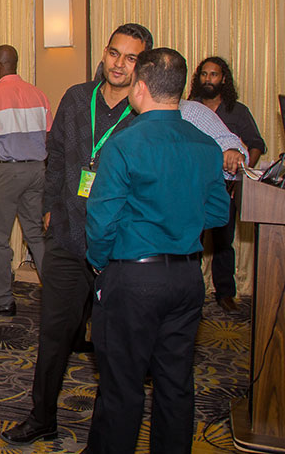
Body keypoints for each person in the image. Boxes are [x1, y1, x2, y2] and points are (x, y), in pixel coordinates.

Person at [0, 22, 153, 446]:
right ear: (104, 53)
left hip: (118, 246)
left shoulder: (146, 110)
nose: (119, 64)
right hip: (68, 238)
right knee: (53, 336)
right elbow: (55, 156)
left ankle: (104, 437)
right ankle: (41, 417)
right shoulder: (76, 98)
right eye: (114, 53)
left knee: (112, 347)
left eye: (131, 58)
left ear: (142, 65)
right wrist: (49, 208)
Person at [83, 48, 229, 454]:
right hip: (186, 278)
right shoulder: (205, 145)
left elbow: (101, 221)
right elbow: (219, 212)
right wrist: (179, 219)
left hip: (133, 277)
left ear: (140, 87)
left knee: (122, 388)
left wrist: (100, 265)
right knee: (176, 385)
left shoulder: (124, 143)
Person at [0, 45, 52, 316]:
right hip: (37, 170)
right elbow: (49, 138)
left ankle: (3, 300)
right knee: (36, 235)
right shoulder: (39, 94)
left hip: (7, 171)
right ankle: (57, 296)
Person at [189, 56, 266, 312]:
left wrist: (242, 172)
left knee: (223, 241)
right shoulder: (188, 108)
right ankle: (192, 291)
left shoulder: (237, 110)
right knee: (191, 239)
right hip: (194, 186)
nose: (208, 79)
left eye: (214, 74)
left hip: (226, 187)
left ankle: (225, 293)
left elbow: (256, 143)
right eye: (204, 74)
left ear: (223, 79)